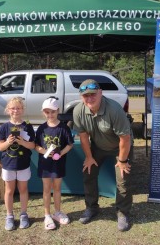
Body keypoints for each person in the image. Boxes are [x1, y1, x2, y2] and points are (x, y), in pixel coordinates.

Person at [72, 79, 133, 232]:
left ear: (100, 93)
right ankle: (92, 208)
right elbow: (84, 136)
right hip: (98, 146)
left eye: (93, 94)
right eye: (86, 96)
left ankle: (122, 212)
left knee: (123, 179)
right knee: (88, 171)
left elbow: (125, 138)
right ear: (81, 97)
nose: (90, 98)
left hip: (120, 148)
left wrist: (123, 160)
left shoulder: (114, 109)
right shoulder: (78, 111)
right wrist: (89, 157)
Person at [35, 97, 74, 230]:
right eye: (47, 112)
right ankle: (47, 215)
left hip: (59, 164)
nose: (50, 115)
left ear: (58, 111)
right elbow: (36, 146)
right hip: (45, 164)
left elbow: (70, 145)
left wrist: (60, 153)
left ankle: (57, 212)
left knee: (57, 188)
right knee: (46, 189)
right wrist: (44, 151)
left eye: (52, 111)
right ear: (43, 113)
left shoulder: (64, 128)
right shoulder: (41, 128)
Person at [0, 97, 36, 231]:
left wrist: (22, 142)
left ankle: (24, 214)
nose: (16, 110)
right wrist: (8, 142)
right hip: (8, 164)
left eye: (18, 108)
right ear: (8, 110)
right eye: (13, 108)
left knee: (23, 190)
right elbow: (0, 148)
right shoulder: (4, 127)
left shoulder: (27, 126)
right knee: (9, 191)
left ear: (23, 110)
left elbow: (32, 146)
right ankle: (9, 216)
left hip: (23, 164)